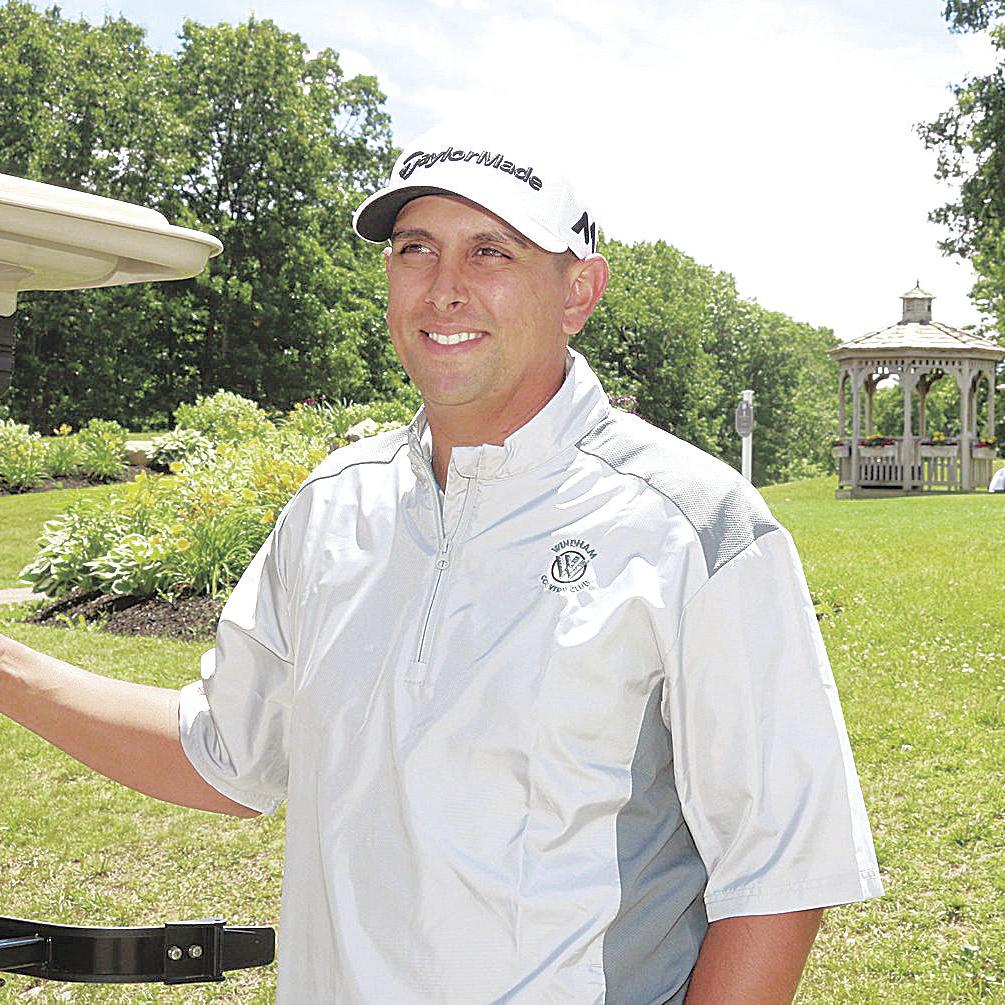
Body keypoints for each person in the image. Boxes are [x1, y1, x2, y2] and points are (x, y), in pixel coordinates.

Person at [0, 124, 883, 1003]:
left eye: (491, 251)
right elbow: (223, 753)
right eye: (415, 249)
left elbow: (778, 866)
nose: (444, 288)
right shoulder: (334, 507)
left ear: (578, 289)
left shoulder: (693, 524)